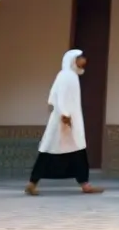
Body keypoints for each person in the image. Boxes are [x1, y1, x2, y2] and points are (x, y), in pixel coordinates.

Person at [25, 49, 103, 195]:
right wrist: (65, 115)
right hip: (65, 121)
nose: (84, 61)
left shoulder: (69, 75)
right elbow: (60, 97)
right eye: (81, 58)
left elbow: (53, 98)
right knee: (52, 151)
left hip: (66, 120)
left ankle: (84, 184)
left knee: (76, 151)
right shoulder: (67, 76)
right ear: (73, 60)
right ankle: (32, 183)